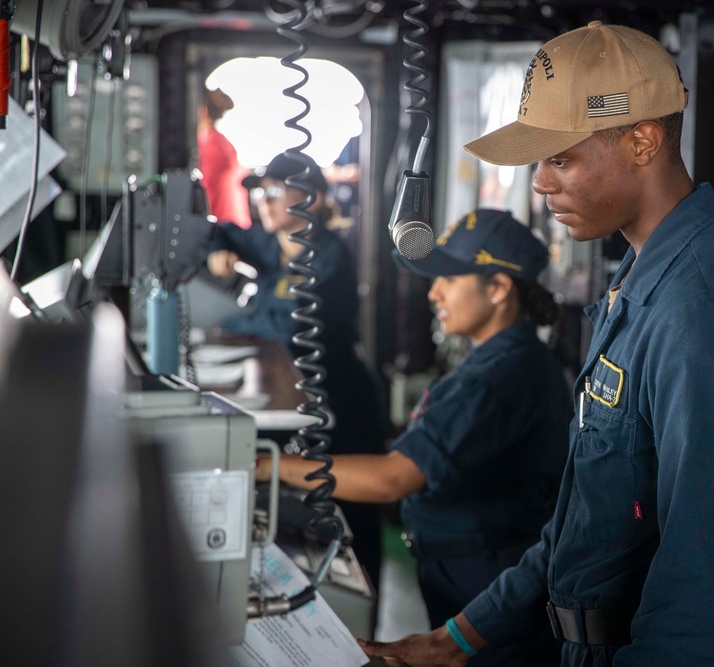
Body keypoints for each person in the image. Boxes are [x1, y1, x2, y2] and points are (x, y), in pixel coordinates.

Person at [358, 21, 714, 667]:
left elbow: (706, 597)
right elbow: (582, 518)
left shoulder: (699, 314)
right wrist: (457, 637)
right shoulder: (640, 275)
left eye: (560, 158)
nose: (540, 183)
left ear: (642, 140)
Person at [257, 208, 571, 666]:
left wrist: (268, 466)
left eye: (448, 278)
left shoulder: (500, 376)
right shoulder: (508, 359)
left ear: (499, 289)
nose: (433, 292)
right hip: (464, 570)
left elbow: (392, 479)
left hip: (485, 581)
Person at [207, 152, 387, 592]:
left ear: (312, 197)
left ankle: (365, 621)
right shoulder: (270, 243)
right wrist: (218, 253)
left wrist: (231, 323)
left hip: (340, 400)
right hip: (299, 398)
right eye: (260, 192)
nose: (263, 202)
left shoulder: (328, 258)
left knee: (350, 514)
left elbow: (286, 326)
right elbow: (214, 230)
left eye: (274, 192)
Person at [198, 87, 252, 229]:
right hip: (239, 227)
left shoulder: (208, 144)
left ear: (203, 112)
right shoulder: (224, 144)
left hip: (221, 232)